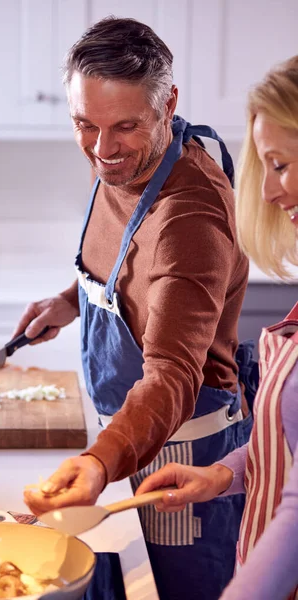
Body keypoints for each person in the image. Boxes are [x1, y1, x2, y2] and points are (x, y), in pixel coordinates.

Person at [17, 17, 253, 599]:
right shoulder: (124, 160)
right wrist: (70, 301)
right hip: (127, 443)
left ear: (168, 104)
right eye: (84, 125)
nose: (102, 150)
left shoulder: (189, 216)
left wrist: (99, 464)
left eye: (123, 126)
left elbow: (173, 372)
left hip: (182, 460)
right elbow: (131, 272)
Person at [136, 55, 298, 600]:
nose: (272, 193)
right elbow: (288, 446)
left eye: (280, 164)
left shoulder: (194, 206)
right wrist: (224, 474)